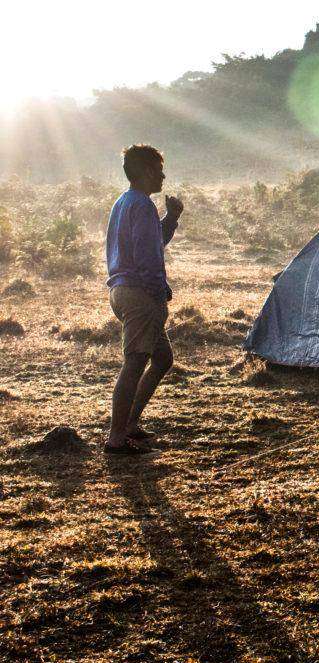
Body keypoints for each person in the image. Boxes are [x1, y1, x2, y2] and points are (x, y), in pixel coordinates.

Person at [104, 144, 183, 454]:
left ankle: (129, 424)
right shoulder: (141, 205)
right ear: (147, 172)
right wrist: (158, 291)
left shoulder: (125, 203)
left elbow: (153, 239)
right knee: (135, 361)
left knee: (162, 359)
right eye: (159, 169)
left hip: (122, 289)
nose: (163, 176)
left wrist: (171, 217)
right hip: (139, 293)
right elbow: (148, 254)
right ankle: (116, 438)